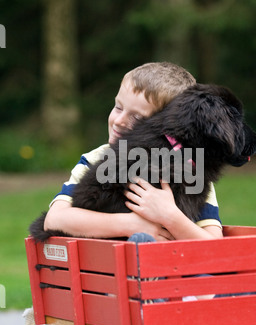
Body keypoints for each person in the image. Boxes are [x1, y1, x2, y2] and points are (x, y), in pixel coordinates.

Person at [44, 62, 223, 241]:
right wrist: (132, 225)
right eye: (118, 107)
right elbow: (55, 220)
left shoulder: (192, 172)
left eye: (137, 117)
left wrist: (170, 216)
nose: (119, 121)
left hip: (177, 266)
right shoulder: (96, 159)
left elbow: (214, 246)